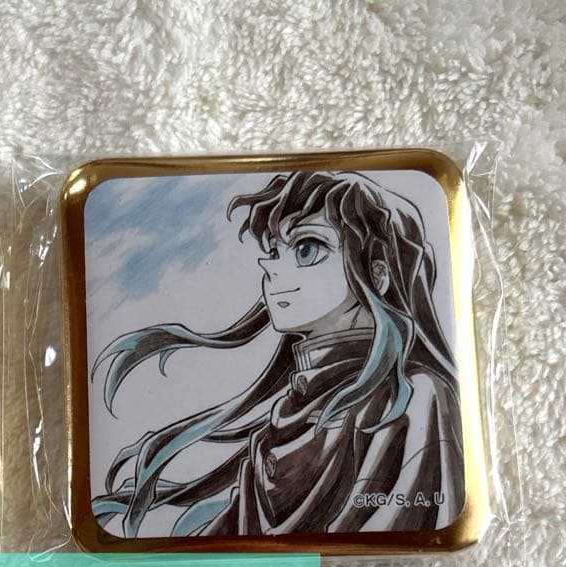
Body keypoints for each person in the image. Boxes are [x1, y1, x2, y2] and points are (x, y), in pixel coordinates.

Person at [92, 170, 464, 538]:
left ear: (377, 273)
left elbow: (400, 531)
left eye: (306, 249)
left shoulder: (415, 397)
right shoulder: (281, 417)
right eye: (274, 250)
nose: (270, 268)